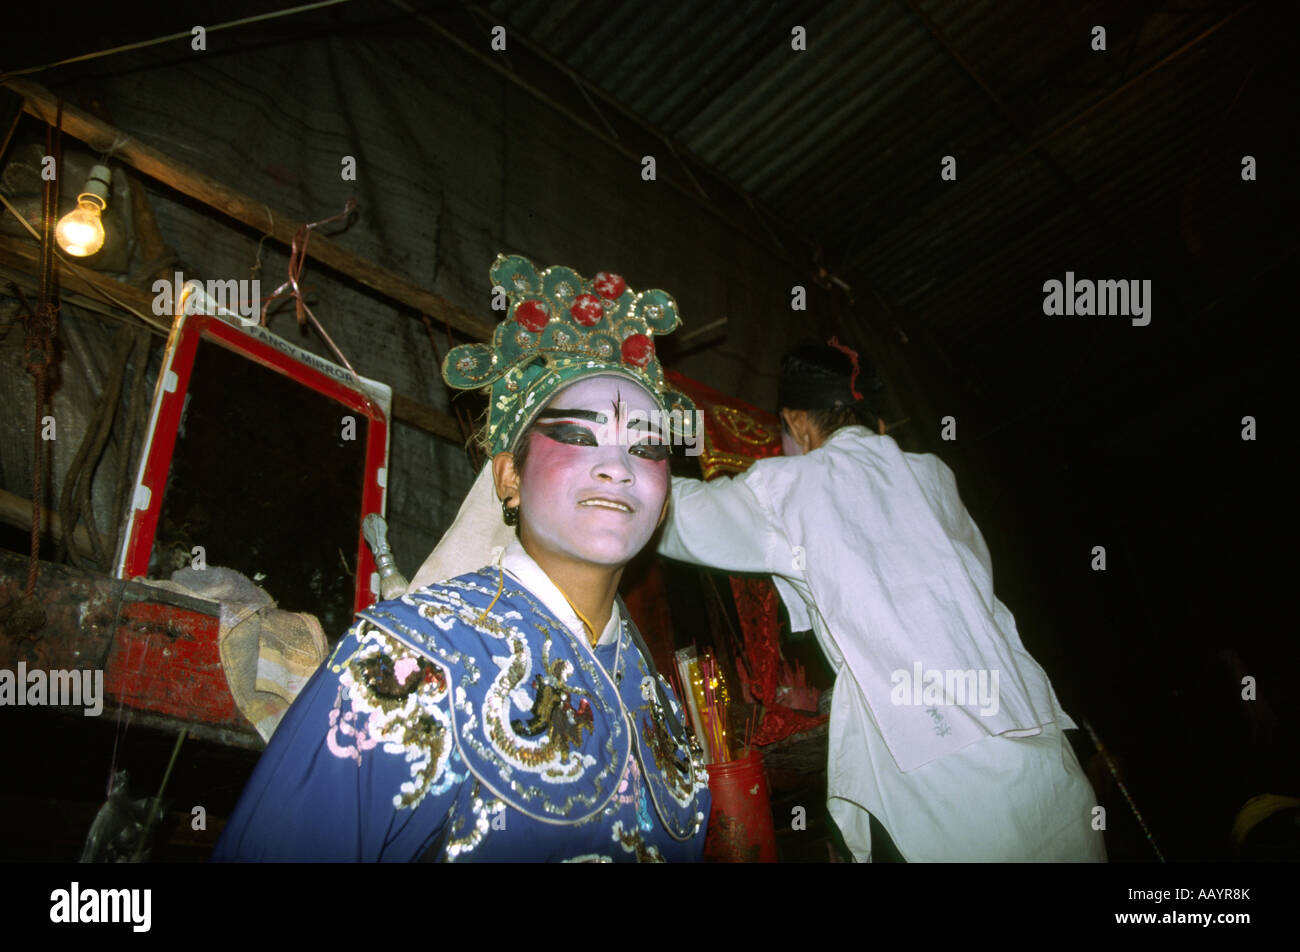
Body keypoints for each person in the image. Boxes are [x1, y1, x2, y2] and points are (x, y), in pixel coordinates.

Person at [213, 254, 710, 862]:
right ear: (509, 477)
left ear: (664, 505)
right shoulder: (407, 657)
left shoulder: (665, 712)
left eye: (648, 446)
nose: (617, 466)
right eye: (578, 436)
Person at [657, 341, 1106, 862]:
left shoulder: (793, 485)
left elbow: (671, 516)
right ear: (880, 424)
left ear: (797, 422)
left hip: (936, 760)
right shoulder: (935, 476)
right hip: (1035, 743)